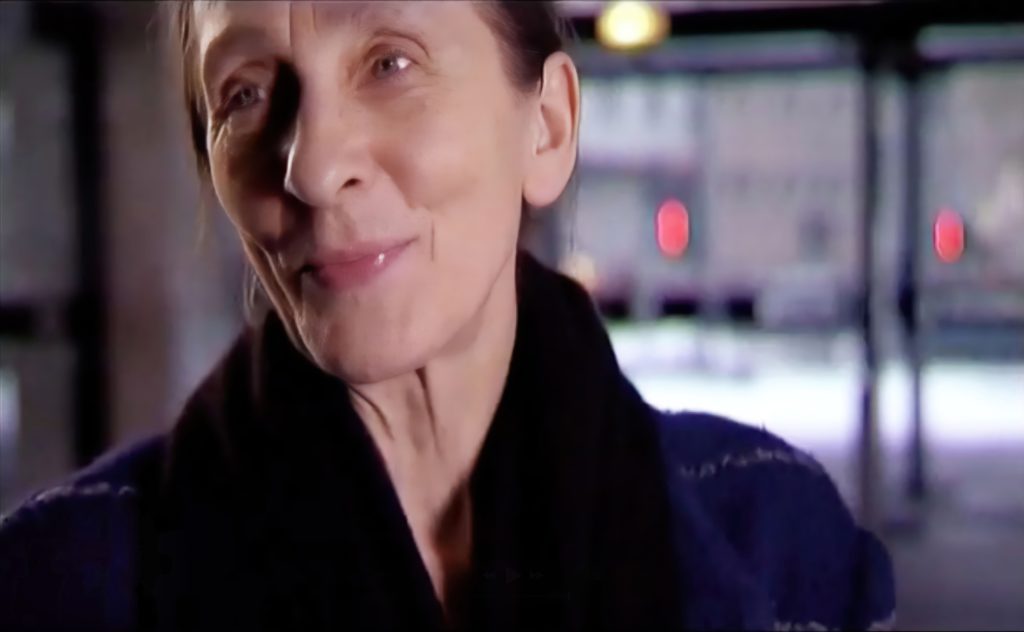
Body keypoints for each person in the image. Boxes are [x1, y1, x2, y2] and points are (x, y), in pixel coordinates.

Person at [0, 2, 894, 630]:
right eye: (245, 94)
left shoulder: (782, 545)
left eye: (390, 63)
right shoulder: (57, 585)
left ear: (547, 127)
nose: (312, 168)